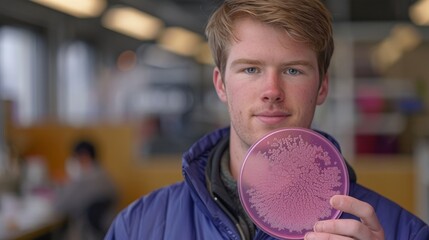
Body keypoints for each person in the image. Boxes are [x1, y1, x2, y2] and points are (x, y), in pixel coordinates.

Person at [105, 0, 429, 239]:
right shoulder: (137, 227)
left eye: (292, 70)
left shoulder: (401, 232)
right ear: (220, 84)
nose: (272, 91)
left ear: (322, 86)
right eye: (250, 69)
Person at [55, 139, 117, 240]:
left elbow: (59, 206)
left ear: (84, 156)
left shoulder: (83, 181)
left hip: (87, 235)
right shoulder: (106, 176)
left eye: (74, 157)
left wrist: (66, 183)